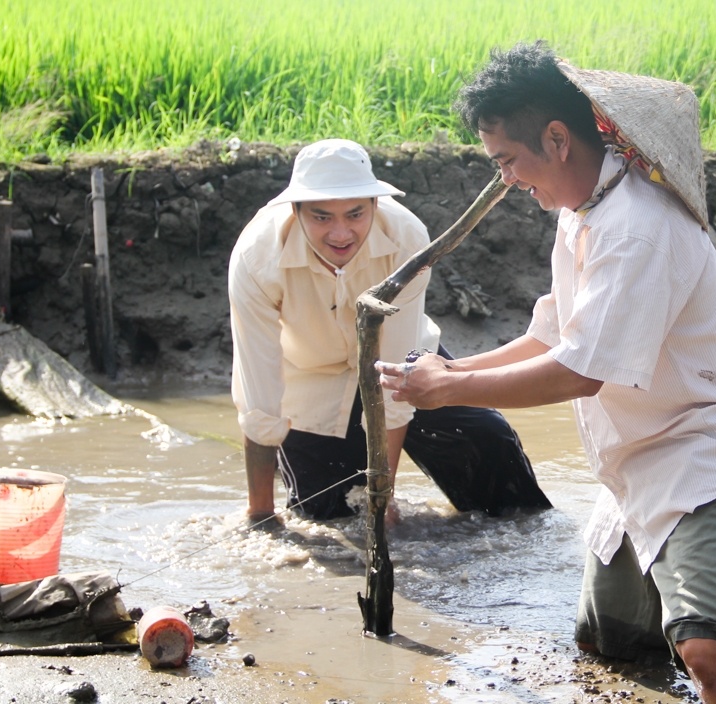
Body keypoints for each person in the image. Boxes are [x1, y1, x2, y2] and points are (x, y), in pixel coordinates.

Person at [377, 43, 716, 704]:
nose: (507, 179)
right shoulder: (584, 209)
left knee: (708, 652)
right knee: (609, 644)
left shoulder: (634, 228)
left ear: (558, 139)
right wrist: (442, 371)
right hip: (636, 464)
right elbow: (554, 331)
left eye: (508, 160)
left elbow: (579, 371)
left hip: (707, 451)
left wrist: (448, 388)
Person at [228, 138, 550, 527]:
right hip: (310, 374)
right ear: (295, 211)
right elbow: (258, 391)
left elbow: (395, 377)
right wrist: (260, 514)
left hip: (402, 360)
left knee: (488, 443)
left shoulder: (407, 239)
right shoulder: (257, 258)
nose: (341, 233)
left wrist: (382, 500)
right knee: (328, 514)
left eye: (354, 214)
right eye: (321, 217)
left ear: (375, 205)